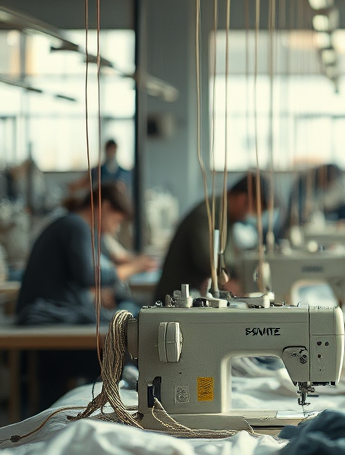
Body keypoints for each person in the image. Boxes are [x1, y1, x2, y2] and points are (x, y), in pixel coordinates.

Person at [15, 183, 155, 408]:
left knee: (124, 328)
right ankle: (103, 412)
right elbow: (89, 275)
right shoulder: (76, 226)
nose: (116, 227)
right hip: (52, 330)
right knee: (119, 352)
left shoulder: (71, 225)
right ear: (105, 207)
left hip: (52, 322)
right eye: (117, 221)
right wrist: (134, 267)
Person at [154, 172, 272, 302]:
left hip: (193, 298)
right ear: (242, 199)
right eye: (255, 211)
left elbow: (227, 259)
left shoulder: (226, 216)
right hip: (174, 301)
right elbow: (208, 262)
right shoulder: (207, 215)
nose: (254, 217)